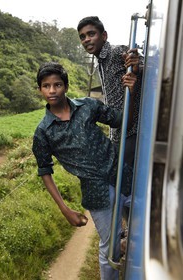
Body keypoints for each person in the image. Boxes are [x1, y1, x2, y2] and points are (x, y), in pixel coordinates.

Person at [32, 62, 137, 280]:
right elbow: (45, 172)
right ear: (40, 89)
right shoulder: (43, 132)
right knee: (110, 249)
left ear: (66, 86)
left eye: (57, 85)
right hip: (96, 192)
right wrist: (65, 210)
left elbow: (120, 120)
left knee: (149, 222)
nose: (52, 91)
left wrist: (132, 92)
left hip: (124, 176)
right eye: (46, 86)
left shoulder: (88, 106)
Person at [77, 16, 143, 221]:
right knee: (120, 183)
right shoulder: (99, 63)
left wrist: (138, 64)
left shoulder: (115, 52)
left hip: (132, 130)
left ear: (103, 36)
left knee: (124, 185)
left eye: (91, 34)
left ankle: (132, 229)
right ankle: (128, 228)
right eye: (82, 37)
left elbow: (136, 61)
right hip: (118, 131)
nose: (87, 39)